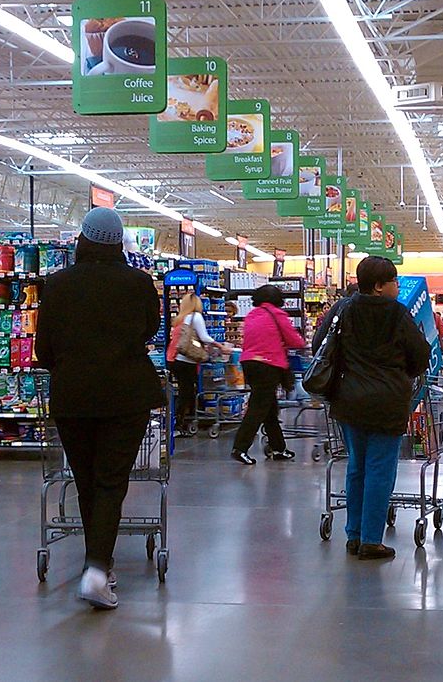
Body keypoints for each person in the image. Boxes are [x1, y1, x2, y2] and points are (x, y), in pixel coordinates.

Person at [34, 207, 166, 610]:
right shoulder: (139, 283)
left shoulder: (56, 285)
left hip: (72, 398)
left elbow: (44, 350)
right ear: (119, 242)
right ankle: (95, 569)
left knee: (87, 479)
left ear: (83, 240)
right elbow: (149, 329)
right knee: (111, 481)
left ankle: (99, 566)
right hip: (126, 396)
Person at [313, 256, 431, 560]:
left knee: (357, 466)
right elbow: (420, 355)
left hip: (348, 401)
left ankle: (353, 534)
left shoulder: (343, 309)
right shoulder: (397, 314)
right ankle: (371, 540)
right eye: (393, 281)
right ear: (379, 286)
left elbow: (318, 346)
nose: (397, 286)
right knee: (380, 469)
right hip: (387, 402)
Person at [232, 284, 305, 464]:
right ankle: (240, 448)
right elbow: (294, 340)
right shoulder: (277, 314)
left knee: (269, 408)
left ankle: (278, 447)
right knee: (258, 408)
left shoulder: (251, 315)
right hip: (268, 364)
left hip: (249, 363)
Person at [167, 292, 228, 434]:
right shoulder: (196, 317)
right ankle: (179, 424)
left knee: (184, 391)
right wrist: (220, 346)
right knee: (187, 392)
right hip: (188, 361)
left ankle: (180, 421)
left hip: (176, 359)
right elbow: (204, 337)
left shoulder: (181, 319)